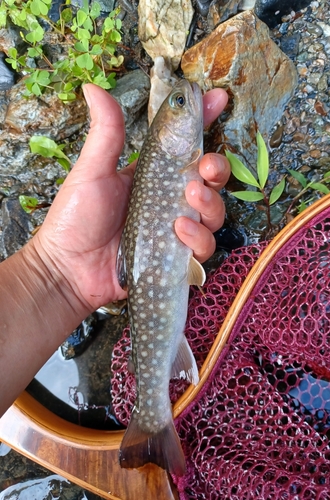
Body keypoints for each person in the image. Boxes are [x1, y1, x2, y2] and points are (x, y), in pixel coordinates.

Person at [0, 84, 230, 418]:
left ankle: (154, 412)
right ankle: (154, 418)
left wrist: (56, 272)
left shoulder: (177, 156)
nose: (187, 97)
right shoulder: (176, 157)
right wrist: (55, 270)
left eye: (179, 101)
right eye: (180, 102)